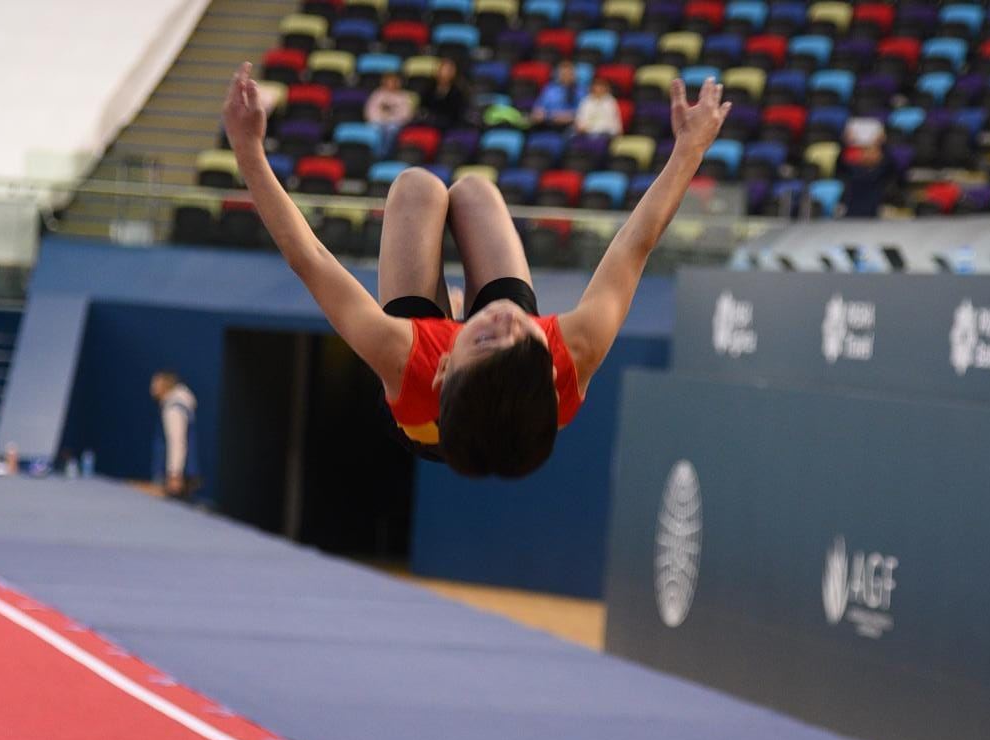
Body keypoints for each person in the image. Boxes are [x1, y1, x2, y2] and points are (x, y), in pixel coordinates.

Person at [222, 62, 730, 477]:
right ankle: (476, 326)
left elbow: (310, 259)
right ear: (551, 368)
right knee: (475, 192)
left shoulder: (405, 360)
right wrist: (690, 149)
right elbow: (635, 245)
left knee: (418, 188)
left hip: (427, 424)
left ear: (445, 366)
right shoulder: (573, 351)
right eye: (520, 337)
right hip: (511, 390)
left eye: (485, 337)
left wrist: (248, 151)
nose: (506, 321)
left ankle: (460, 316)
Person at [149, 371, 200, 497]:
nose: (152, 387)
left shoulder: (173, 409)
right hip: (179, 477)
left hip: (175, 481)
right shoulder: (178, 406)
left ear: (165, 385)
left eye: (155, 383)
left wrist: (174, 475)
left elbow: (177, 442)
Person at [840, 118, 893, 218]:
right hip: (852, 215)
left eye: (873, 153)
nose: (869, 155)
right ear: (861, 156)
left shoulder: (883, 171)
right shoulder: (852, 170)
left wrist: (882, 143)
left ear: (880, 156)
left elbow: (889, 161)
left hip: (874, 215)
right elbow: (841, 161)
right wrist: (846, 143)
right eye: (866, 152)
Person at [365, 72, 414, 158]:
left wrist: (391, 120)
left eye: (394, 81)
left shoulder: (404, 96)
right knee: (376, 129)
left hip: (395, 123)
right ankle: (375, 155)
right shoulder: (377, 94)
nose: (391, 84)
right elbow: (370, 111)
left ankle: (384, 155)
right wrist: (380, 121)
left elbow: (406, 114)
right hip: (378, 121)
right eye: (388, 81)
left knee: (391, 129)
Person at [419, 58, 470, 130]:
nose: (445, 73)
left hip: (451, 125)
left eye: (449, 70)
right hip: (429, 123)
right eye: (443, 69)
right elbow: (423, 107)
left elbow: (458, 112)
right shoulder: (428, 89)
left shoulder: (458, 91)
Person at [531, 61, 584, 132]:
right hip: (549, 124)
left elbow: (584, 112)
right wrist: (541, 114)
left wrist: (568, 117)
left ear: (574, 75)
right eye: (563, 74)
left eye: (569, 74)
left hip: (572, 126)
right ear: (558, 75)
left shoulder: (581, 91)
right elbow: (538, 108)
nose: (566, 76)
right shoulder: (549, 89)